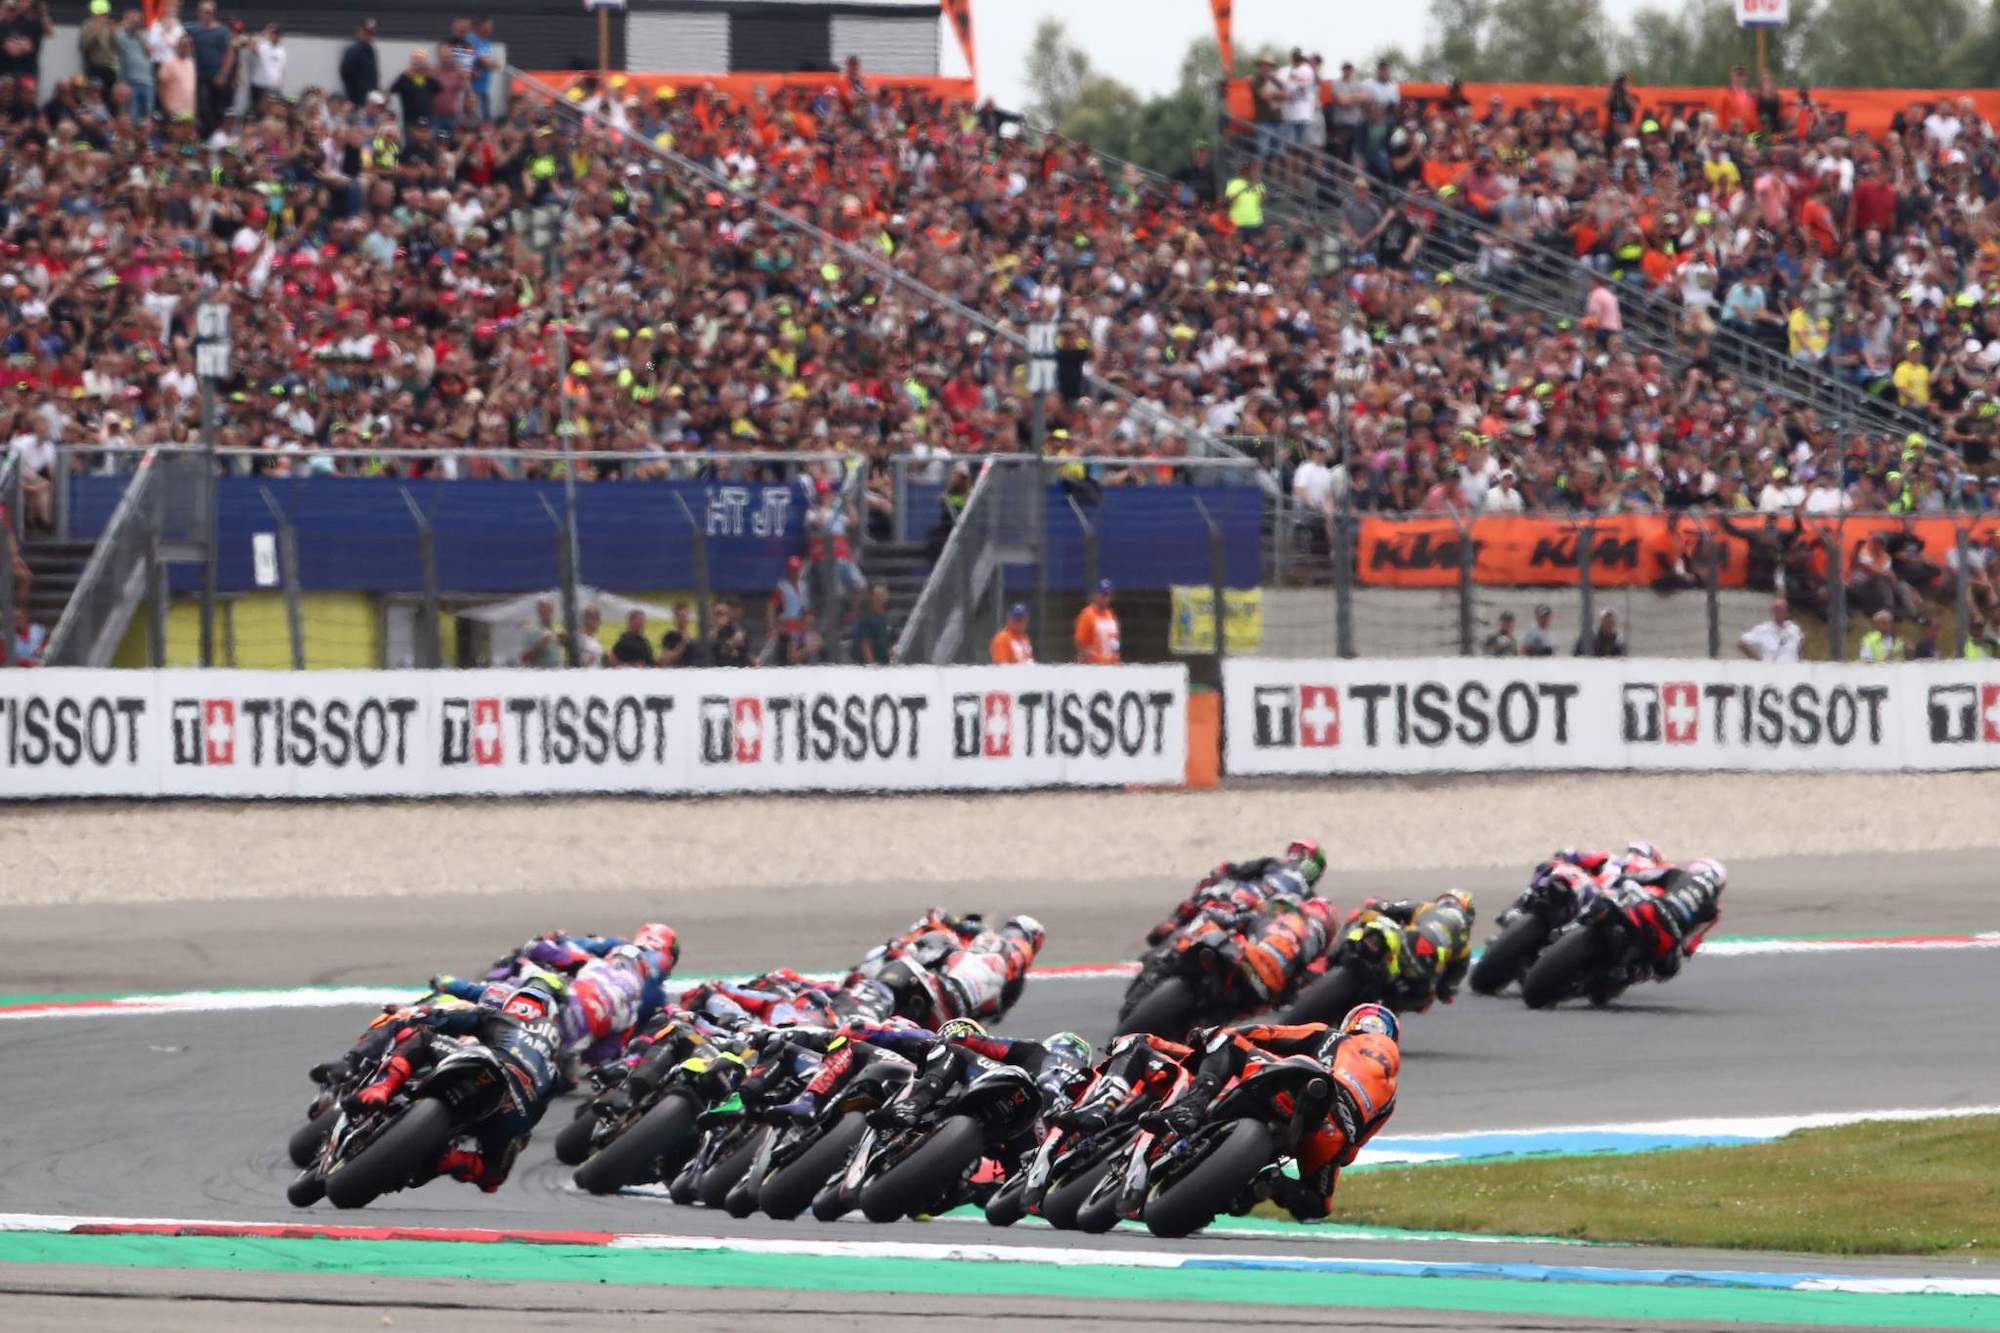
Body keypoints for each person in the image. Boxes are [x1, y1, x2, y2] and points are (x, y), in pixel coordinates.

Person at [1155, 1004, 1400, 1222]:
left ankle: (1192, 1105)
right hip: (1332, 1133)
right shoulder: (1390, 1095)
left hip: (1305, 1085)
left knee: (1225, 1041)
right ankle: (1268, 1186)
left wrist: (1214, 1037)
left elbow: (1269, 1033)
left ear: (1352, 1024)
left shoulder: (1333, 1036)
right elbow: (1352, 1150)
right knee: (1318, 1204)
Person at [347, 974, 566, 1193]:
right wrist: (515, 1135)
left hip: (482, 1062)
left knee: (422, 1038)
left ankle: (381, 1088)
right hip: (515, 1106)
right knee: (493, 1174)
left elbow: (444, 1016)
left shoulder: (499, 1015)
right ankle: (446, 1160)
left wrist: (413, 1013)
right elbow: (539, 1109)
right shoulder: (552, 1067)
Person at [1146, 839, 1327, 946]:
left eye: (1299, 853)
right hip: (1246, 905)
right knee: (1209, 893)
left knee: (1210, 892)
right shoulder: (1305, 892)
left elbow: (1234, 870)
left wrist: (1224, 871)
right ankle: (1174, 923)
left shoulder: (1305, 893)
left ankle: (1176, 922)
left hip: (1257, 912)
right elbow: (1233, 871)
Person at [1345, 890, 1476, 1011]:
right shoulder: (1465, 944)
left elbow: (1387, 908)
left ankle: (1331, 958)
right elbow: (1447, 986)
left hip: (1406, 939)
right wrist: (1444, 993)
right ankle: (1380, 1013)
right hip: (1424, 968)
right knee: (1423, 1002)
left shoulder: (1426, 906)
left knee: (1361, 916)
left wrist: (1376, 904)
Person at [113, 9, 152, 121]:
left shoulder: (144, 37)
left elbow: (150, 53)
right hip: (131, 83)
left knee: (147, 116)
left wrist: (140, 37)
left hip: (148, 82)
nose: (136, 23)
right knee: (132, 116)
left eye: (138, 20)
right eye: (132, 20)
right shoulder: (120, 36)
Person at [1738, 596, 1803, 662]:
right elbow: (1741, 643)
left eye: (1783, 610)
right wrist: (1757, 660)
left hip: (1792, 669)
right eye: (1778, 610)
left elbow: (1802, 644)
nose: (1781, 613)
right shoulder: (1763, 629)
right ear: (1773, 612)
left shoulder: (1794, 629)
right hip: (1771, 670)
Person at [78, 0, 119, 102]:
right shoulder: (88, 25)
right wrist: (96, 30)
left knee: (109, 98)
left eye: (104, 14)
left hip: (110, 68)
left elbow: (116, 47)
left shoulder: (109, 27)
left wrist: (113, 32)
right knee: (94, 96)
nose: (103, 17)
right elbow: (84, 46)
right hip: (94, 67)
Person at [1073, 578, 1121, 664]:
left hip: (1111, 667)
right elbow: (1080, 644)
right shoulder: (1087, 614)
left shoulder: (1111, 615)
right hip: (1094, 667)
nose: (1106, 598)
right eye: (1103, 594)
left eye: (1109, 595)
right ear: (1096, 595)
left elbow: (1115, 642)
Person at [338, 17, 378, 107]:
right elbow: (345, 73)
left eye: (371, 34)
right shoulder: (353, 50)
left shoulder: (371, 50)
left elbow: (372, 76)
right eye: (367, 33)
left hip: (369, 101)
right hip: (356, 101)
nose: (369, 36)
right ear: (360, 32)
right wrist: (354, 96)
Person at [853, 582, 892, 665]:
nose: (882, 596)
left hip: (884, 663)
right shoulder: (866, 618)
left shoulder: (884, 619)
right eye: (879, 594)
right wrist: (871, 664)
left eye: (884, 593)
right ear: (873, 597)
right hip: (872, 665)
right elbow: (865, 644)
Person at [519, 596, 561, 668]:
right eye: (542, 609)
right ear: (538, 610)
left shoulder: (559, 627)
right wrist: (540, 644)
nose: (546, 611)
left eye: (548, 609)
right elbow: (524, 658)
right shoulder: (530, 629)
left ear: (552, 610)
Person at [709, 598, 749, 667]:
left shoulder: (736, 631)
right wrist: (730, 644)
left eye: (725, 613)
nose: (722, 616)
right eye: (719, 613)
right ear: (712, 615)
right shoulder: (706, 632)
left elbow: (744, 654)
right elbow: (712, 651)